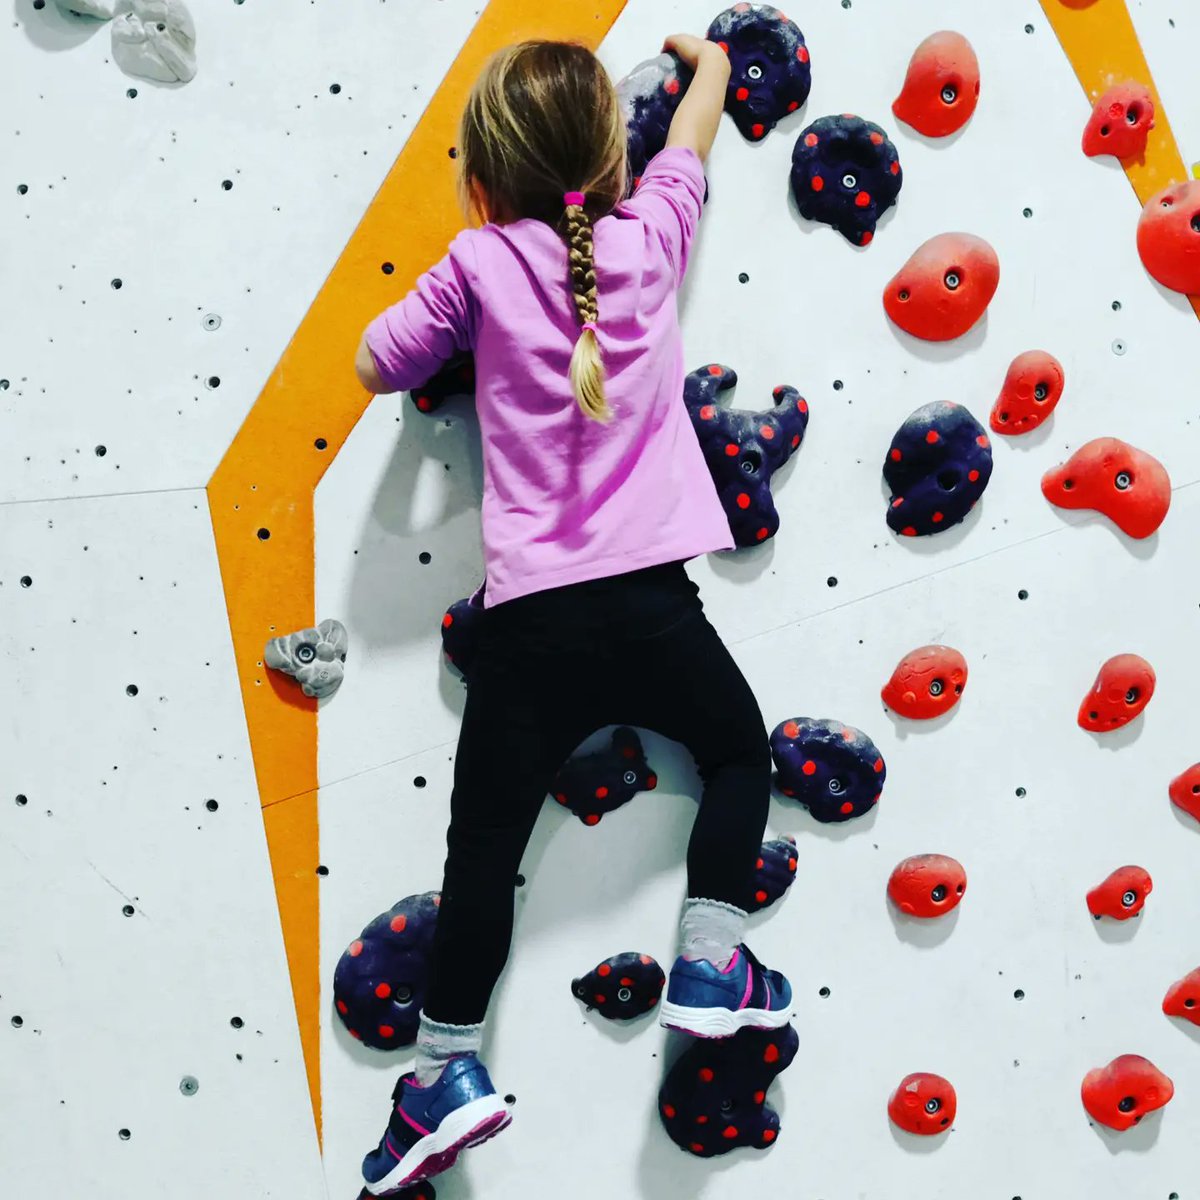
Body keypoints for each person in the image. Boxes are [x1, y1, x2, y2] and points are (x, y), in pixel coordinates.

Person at [353, 34, 792, 1195]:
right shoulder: (650, 236)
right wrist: (703, 65)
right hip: (655, 612)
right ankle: (708, 964)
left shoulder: (478, 262)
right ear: (608, 154)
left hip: (532, 631)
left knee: (484, 856)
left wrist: (460, 296)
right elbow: (693, 139)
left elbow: (376, 360)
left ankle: (442, 1072)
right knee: (739, 753)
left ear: (482, 176)